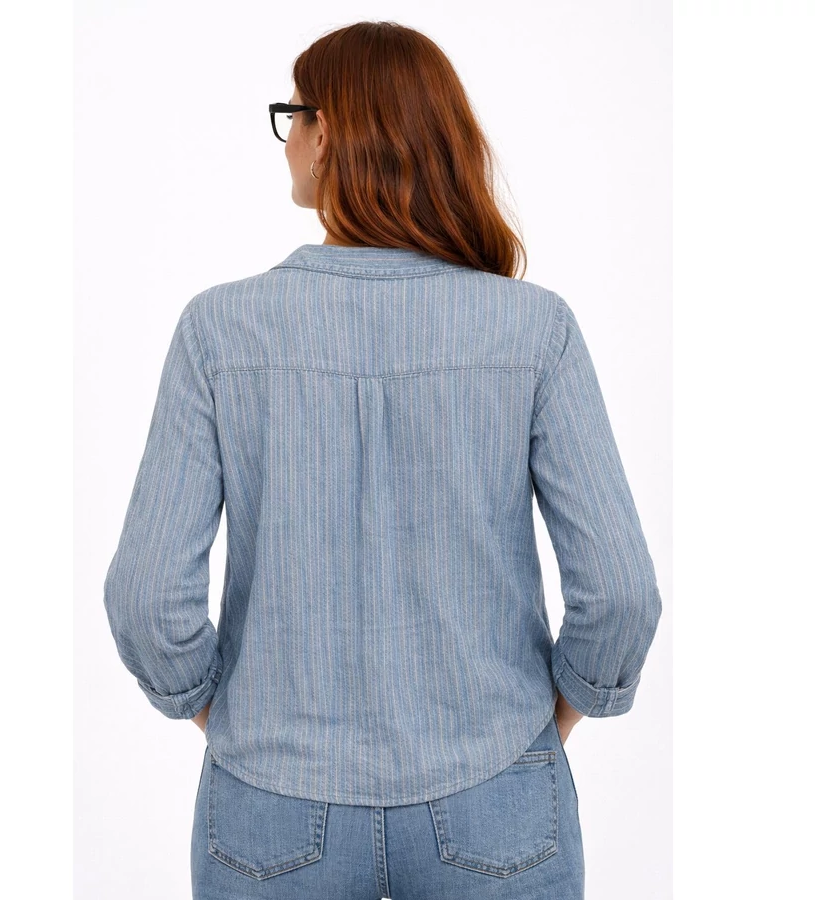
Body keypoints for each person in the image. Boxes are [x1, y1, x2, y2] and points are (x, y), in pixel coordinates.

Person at [103, 20, 663, 900]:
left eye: (293, 115)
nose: (287, 139)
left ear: (327, 132)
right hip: (499, 796)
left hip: (268, 804)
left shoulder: (219, 332)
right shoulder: (534, 331)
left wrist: (229, 720)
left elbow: (145, 595)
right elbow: (622, 592)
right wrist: (537, 733)